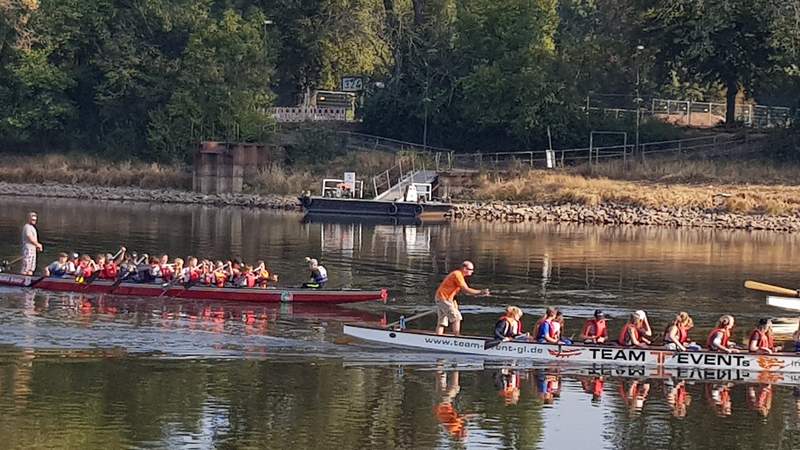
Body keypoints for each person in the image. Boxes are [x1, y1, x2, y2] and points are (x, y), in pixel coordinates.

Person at [434, 261, 490, 336]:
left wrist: (479, 294)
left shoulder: (459, 276)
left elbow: (465, 292)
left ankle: (438, 337)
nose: (472, 271)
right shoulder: (457, 274)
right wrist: (480, 292)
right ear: (464, 268)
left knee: (442, 321)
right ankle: (457, 337)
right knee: (457, 318)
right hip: (443, 298)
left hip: (445, 298)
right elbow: (465, 289)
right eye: (470, 269)